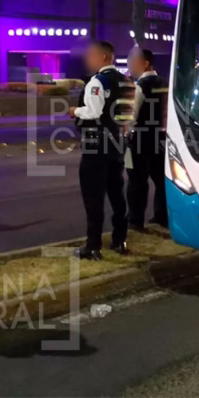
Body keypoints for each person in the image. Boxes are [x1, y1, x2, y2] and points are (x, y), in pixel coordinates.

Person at [69, 41, 129, 260]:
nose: (88, 59)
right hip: (117, 142)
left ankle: (93, 246)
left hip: (96, 145)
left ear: (104, 57)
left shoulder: (97, 81)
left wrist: (75, 110)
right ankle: (120, 240)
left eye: (91, 55)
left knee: (93, 197)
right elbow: (128, 116)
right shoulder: (128, 82)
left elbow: (93, 111)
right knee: (117, 194)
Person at [126, 48, 169, 231]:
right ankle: (162, 216)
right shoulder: (166, 84)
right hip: (161, 137)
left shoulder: (140, 86)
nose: (130, 66)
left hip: (140, 140)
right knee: (162, 180)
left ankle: (136, 221)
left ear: (145, 63)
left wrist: (126, 135)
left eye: (133, 61)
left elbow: (131, 116)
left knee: (137, 181)